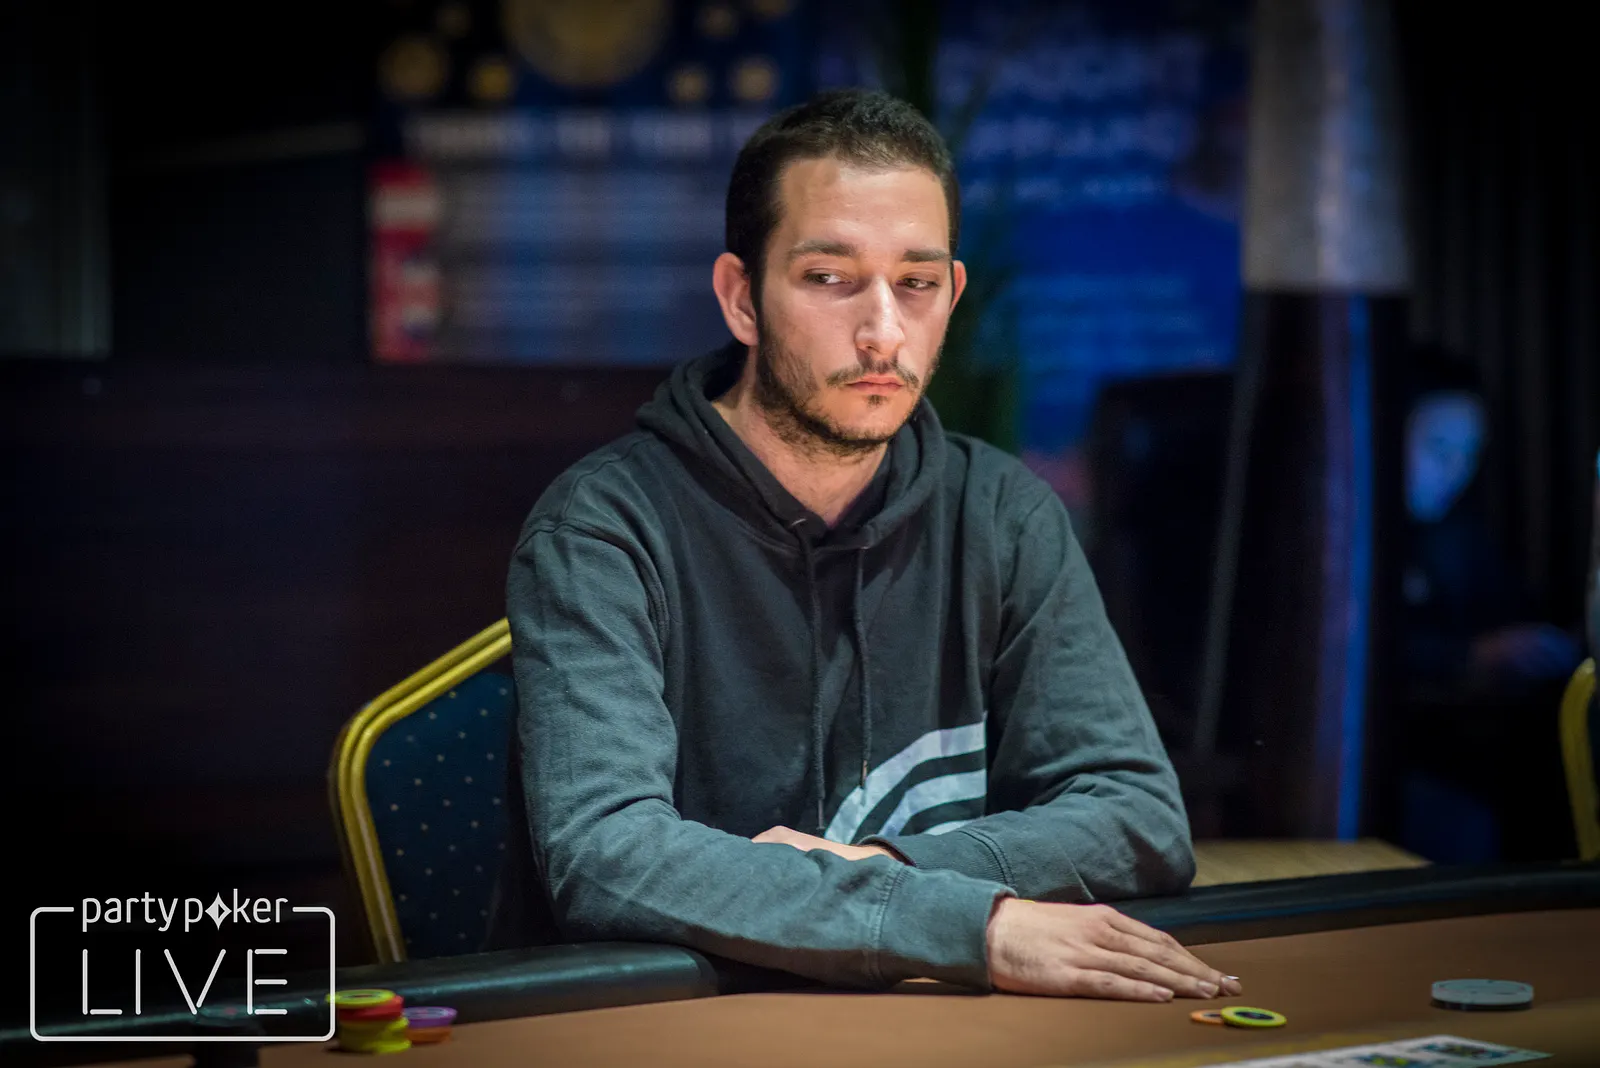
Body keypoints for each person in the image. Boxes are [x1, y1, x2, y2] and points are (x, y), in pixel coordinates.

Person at [488, 89, 1237, 1002]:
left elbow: (1137, 814)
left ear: (952, 294)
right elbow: (606, 855)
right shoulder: (603, 528)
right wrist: (967, 923)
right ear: (741, 298)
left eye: (916, 283)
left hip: (923, 1024)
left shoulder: (1002, 513)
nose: (884, 331)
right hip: (665, 1023)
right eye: (830, 278)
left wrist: (888, 868)